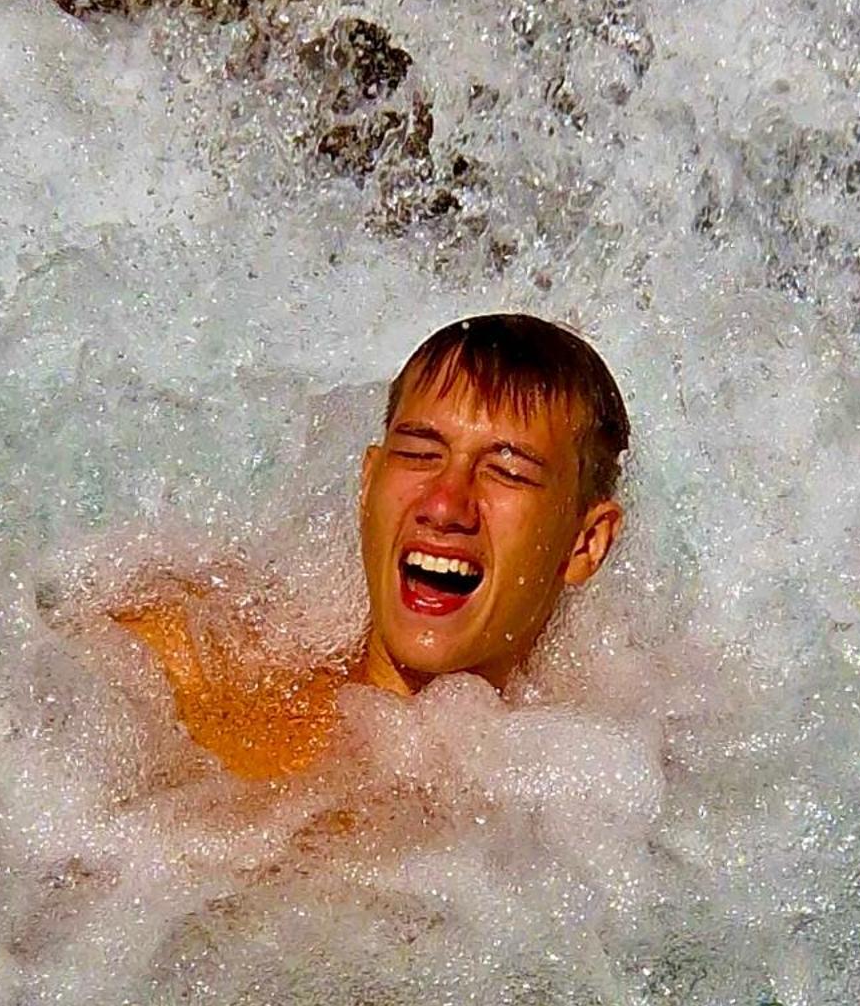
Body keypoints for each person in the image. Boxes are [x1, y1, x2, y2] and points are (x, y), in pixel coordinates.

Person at [112, 314, 629, 778]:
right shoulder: (186, 668)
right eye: (420, 453)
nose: (445, 505)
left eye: (506, 472)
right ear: (368, 484)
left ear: (586, 543)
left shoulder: (582, 801)